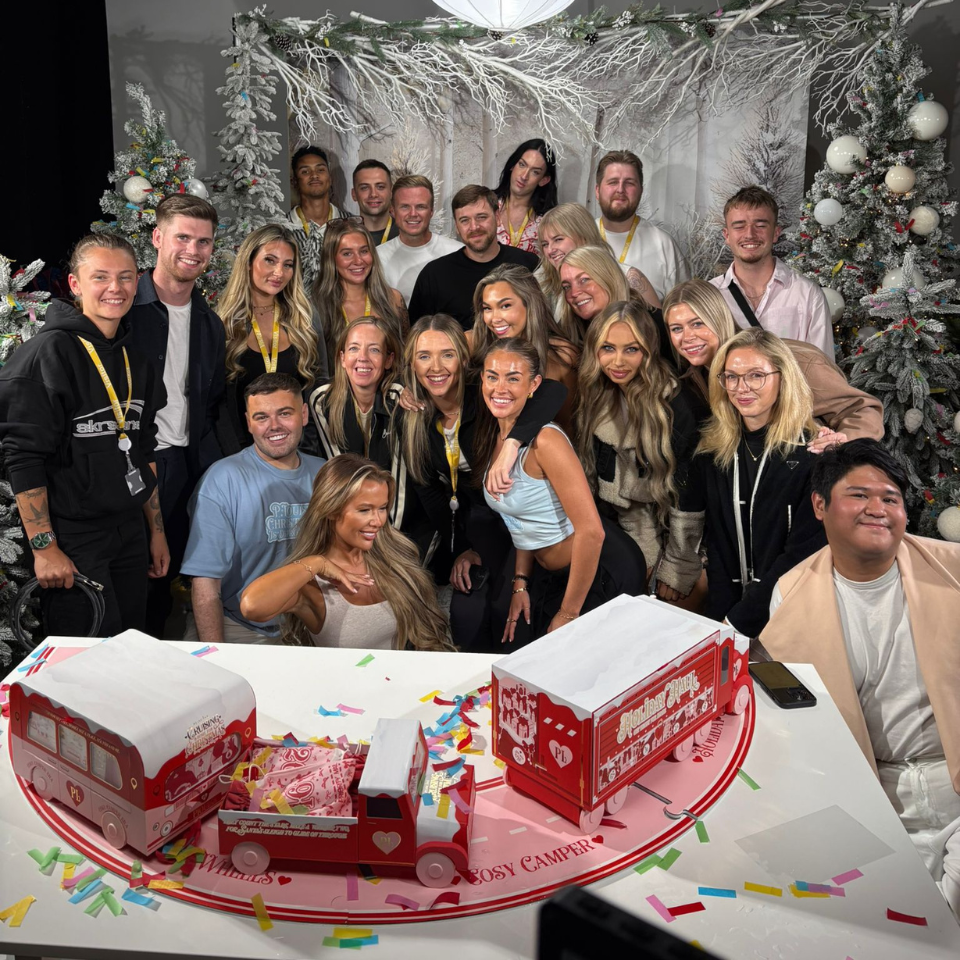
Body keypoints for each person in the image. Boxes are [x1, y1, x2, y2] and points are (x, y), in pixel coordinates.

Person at [760, 439, 960, 917]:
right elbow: (794, 721)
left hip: (953, 785)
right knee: (881, 926)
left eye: (890, 498)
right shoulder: (790, 595)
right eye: (859, 495)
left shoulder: (952, 570)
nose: (878, 509)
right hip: (873, 797)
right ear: (820, 506)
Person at [0, 234, 168, 637]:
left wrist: (156, 532)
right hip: (74, 538)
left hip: (129, 531)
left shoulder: (137, 360)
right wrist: (45, 548)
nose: (115, 288)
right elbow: (23, 458)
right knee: (88, 656)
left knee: (132, 644)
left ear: (138, 282)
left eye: (125, 277)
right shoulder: (48, 354)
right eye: (101, 277)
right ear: (75, 284)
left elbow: (144, 449)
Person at [400, 315, 563, 651]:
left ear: (463, 358)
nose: (435, 367)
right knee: (467, 617)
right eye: (424, 356)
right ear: (412, 364)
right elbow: (428, 492)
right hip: (478, 529)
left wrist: (512, 444)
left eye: (447, 354)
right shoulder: (414, 415)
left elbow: (553, 390)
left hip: (522, 526)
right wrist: (462, 548)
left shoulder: (487, 395)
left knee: (509, 617)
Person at [475, 338, 645, 641]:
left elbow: (592, 532)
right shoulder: (494, 436)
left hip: (598, 570)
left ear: (533, 385)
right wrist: (520, 582)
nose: (500, 388)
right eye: (492, 376)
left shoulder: (546, 441)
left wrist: (568, 613)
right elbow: (524, 518)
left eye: (513, 378)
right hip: (548, 574)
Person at [688, 328, 828, 636]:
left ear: (783, 378)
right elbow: (719, 547)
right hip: (729, 612)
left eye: (756, 375)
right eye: (731, 377)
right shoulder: (712, 451)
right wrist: (722, 620)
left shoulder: (813, 452)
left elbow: (802, 556)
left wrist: (739, 622)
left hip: (794, 614)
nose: (742, 388)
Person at [129, 194, 225, 637]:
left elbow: (212, 403)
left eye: (203, 241)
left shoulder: (209, 322)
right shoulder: (125, 308)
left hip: (188, 468)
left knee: (172, 586)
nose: (193, 250)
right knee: (138, 587)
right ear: (157, 237)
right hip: (136, 466)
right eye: (182, 237)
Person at [240, 454, 453, 651]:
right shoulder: (310, 583)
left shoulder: (393, 559)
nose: (378, 521)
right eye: (364, 510)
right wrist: (316, 563)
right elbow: (252, 606)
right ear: (331, 510)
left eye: (382, 508)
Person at [576, 301, 705, 606]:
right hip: (630, 524)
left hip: (687, 534)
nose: (618, 361)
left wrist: (678, 565)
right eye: (608, 348)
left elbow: (690, 496)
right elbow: (619, 496)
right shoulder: (598, 395)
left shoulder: (677, 406)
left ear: (648, 351)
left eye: (631, 349)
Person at [181, 373, 324, 644]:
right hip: (240, 624)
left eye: (285, 413)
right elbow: (206, 584)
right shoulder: (221, 480)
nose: (274, 426)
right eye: (261, 417)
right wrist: (217, 652)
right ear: (248, 423)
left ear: (304, 414)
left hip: (310, 622)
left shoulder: (326, 475)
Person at [663, 278, 883, 444]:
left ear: (719, 318)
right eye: (676, 329)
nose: (687, 337)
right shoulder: (692, 381)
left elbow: (862, 411)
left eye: (698, 324)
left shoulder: (793, 359)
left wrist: (838, 445)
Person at [217, 224, 327, 451]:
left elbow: (320, 387)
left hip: (300, 450)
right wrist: (237, 455)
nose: (279, 272)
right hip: (243, 452)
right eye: (270, 260)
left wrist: (309, 449)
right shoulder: (224, 323)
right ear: (248, 262)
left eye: (288, 265)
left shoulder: (305, 317)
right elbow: (220, 403)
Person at [711, 185, 833, 355]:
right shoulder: (711, 295)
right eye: (739, 226)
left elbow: (822, 365)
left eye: (760, 225)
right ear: (727, 235)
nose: (749, 234)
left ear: (776, 233)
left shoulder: (807, 294)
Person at [408, 184, 539, 329]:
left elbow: (543, 325)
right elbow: (418, 335)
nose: (474, 227)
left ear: (497, 217)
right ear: (457, 227)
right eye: (464, 220)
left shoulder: (528, 265)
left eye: (481, 217)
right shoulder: (434, 275)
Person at [471, 265, 579, 430]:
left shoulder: (562, 355)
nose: (495, 319)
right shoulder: (474, 344)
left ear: (530, 304)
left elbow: (569, 426)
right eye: (487, 308)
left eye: (505, 306)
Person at [594, 150, 689, 300]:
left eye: (629, 183)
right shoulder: (579, 238)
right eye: (613, 182)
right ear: (597, 191)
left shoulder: (664, 245)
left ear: (641, 191)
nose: (620, 189)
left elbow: (685, 306)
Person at [537, 202, 660, 315]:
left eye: (558, 239)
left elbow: (656, 327)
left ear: (584, 236)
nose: (550, 250)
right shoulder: (542, 281)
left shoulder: (629, 276)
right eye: (545, 244)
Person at [312, 218, 406, 361]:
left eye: (364, 251)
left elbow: (406, 358)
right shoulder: (315, 307)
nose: (358, 261)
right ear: (331, 259)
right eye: (347, 253)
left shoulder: (393, 299)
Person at [377, 175, 462, 303]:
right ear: (392, 211)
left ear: (431, 211)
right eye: (405, 206)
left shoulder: (457, 252)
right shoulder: (377, 257)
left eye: (420, 206)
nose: (413, 214)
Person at [557, 245, 644, 344]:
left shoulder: (650, 323)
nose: (574, 293)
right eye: (567, 287)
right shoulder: (565, 335)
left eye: (584, 280)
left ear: (608, 278)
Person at [494, 139, 557, 255]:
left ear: (544, 180)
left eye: (535, 172)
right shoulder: (487, 206)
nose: (524, 176)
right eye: (522, 165)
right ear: (512, 165)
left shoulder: (548, 221)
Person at [288, 145, 343, 244]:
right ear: (294, 181)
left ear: (330, 178)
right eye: (305, 171)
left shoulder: (350, 223)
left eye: (320, 170)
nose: (314, 175)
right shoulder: (283, 227)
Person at [351, 159, 400, 245]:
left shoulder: (406, 234)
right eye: (364, 188)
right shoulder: (342, 236)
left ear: (391, 192)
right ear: (354, 194)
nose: (373, 194)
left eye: (380, 187)